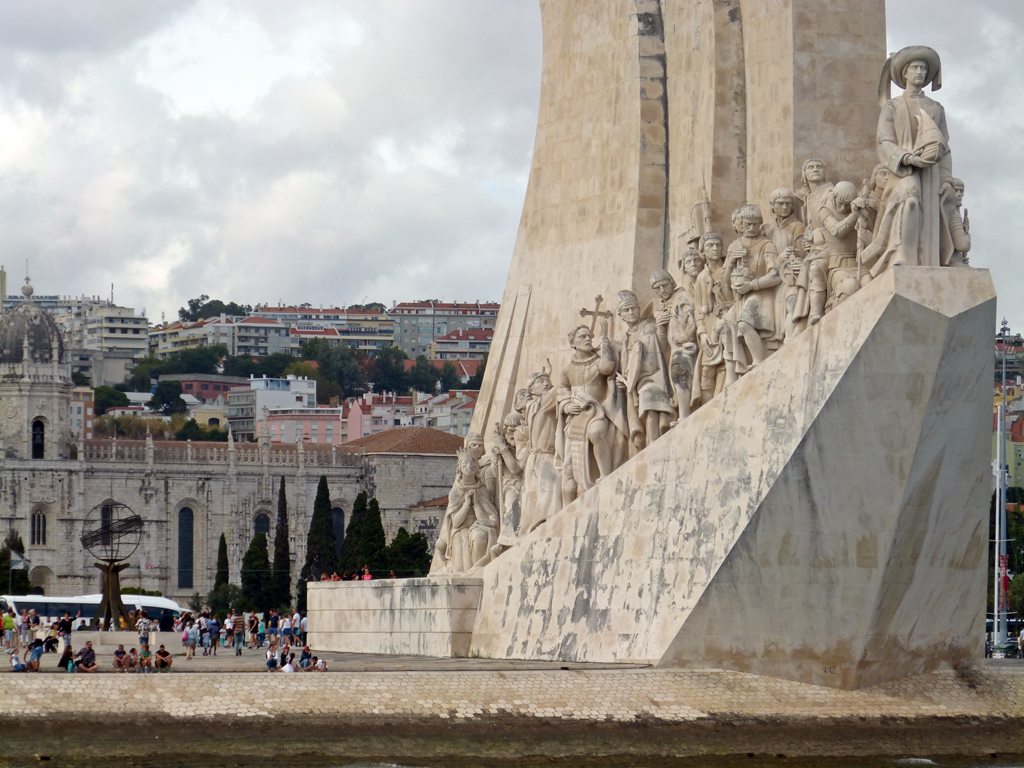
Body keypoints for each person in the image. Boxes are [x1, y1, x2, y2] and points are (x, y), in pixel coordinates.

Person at [861, 45, 954, 277]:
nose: (920, 72)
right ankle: (899, 251)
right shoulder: (893, 107)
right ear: (905, 73)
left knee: (930, 215)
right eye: (915, 68)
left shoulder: (936, 108)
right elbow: (883, 141)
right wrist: (906, 158)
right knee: (909, 197)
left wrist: (946, 178)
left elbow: (945, 147)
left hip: (930, 173)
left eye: (923, 68)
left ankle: (928, 260)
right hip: (902, 171)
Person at [556, 322, 628, 506]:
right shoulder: (567, 369)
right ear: (573, 343)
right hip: (577, 416)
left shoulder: (597, 361)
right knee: (568, 467)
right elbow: (562, 391)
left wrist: (603, 339)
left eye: (589, 336)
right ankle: (568, 505)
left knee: (596, 432)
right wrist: (565, 406)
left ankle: (605, 474)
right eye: (582, 336)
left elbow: (607, 368)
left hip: (598, 411)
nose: (588, 339)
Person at [614, 290, 674, 453]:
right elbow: (630, 364)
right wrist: (625, 379)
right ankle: (647, 440)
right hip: (636, 383)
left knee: (648, 394)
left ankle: (653, 438)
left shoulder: (648, 328)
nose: (631, 312)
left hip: (655, 375)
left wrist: (661, 329)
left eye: (633, 308)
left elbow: (661, 348)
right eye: (626, 310)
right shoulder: (626, 338)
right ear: (621, 316)